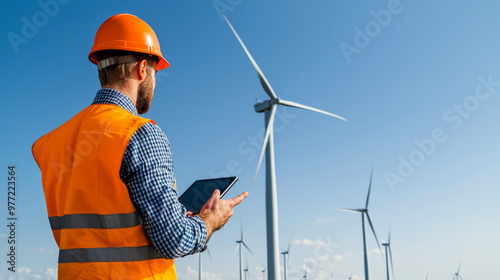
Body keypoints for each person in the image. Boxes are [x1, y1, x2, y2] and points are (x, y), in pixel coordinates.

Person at [32, 13, 248, 279]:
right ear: (142, 69)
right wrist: (211, 221)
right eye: (155, 72)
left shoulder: (52, 143)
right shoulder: (139, 133)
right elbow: (174, 239)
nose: (155, 82)